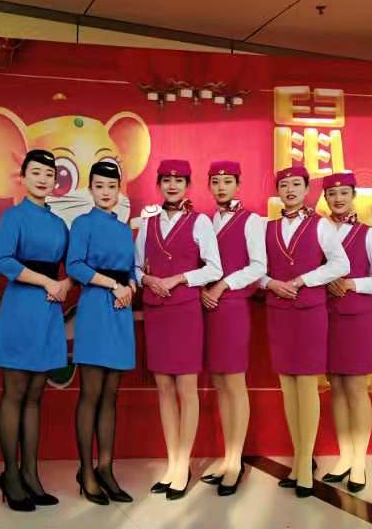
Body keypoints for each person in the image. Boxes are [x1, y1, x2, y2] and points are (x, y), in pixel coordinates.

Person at [135, 159, 223, 500]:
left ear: (188, 186)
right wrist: (146, 279)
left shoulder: (200, 221)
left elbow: (214, 268)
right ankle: (172, 463)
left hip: (185, 312)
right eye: (166, 181)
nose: (172, 186)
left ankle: (183, 464)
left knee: (186, 389)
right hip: (157, 312)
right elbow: (135, 266)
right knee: (164, 389)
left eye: (179, 181)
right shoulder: (148, 223)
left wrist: (179, 278)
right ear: (159, 184)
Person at [261, 166, 349, 498]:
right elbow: (256, 268)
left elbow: (340, 264)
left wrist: (303, 280)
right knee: (288, 387)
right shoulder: (267, 228)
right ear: (278, 191)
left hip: (310, 313)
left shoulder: (321, 225)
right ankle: (300, 462)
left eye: (296, 184)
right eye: (284, 185)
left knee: (307, 386)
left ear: (307, 189)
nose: (290, 190)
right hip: (278, 313)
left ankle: (304, 469)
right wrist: (270, 283)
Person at [0, 149, 70, 512]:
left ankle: (31, 474)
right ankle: (10, 475)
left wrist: (66, 283)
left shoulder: (59, 224)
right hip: (21, 307)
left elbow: (73, 265)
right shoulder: (13, 216)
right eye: (35, 172)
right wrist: (47, 282)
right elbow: (4, 261)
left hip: (50, 311)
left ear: (55, 181)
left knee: (37, 394)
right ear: (22, 177)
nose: (42, 179)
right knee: (15, 392)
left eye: (49, 173)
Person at [66, 161, 136, 506]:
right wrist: (113, 285)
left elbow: (131, 268)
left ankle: (106, 467)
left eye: (111, 186)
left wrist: (131, 286)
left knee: (111, 395)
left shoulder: (124, 229)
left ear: (119, 190)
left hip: (121, 310)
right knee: (91, 393)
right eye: (99, 186)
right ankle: (86, 470)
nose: (106, 192)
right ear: (90, 189)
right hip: (95, 307)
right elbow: (74, 266)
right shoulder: (82, 223)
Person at [320, 172, 372, 494]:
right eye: (332, 194)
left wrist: (352, 283)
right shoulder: (318, 230)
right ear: (325, 198)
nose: (338, 199)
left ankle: (360, 461)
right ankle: (345, 456)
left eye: (343, 193)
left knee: (355, 388)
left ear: (353, 196)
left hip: (356, 318)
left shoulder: (369, 235)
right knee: (335, 386)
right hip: (324, 317)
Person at [199, 161, 266, 497]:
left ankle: (235, 461)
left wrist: (223, 285)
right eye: (215, 181)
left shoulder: (251, 220)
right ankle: (228, 457)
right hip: (207, 307)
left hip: (233, 306)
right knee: (220, 383)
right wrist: (203, 288)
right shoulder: (205, 221)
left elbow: (258, 266)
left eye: (227, 181)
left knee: (235, 383)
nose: (221, 186)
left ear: (238, 184)